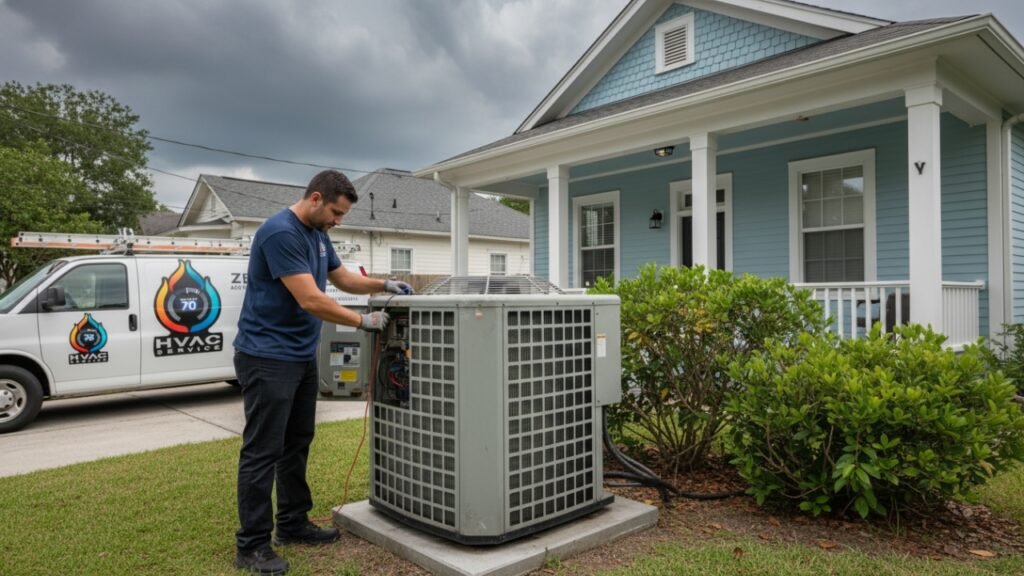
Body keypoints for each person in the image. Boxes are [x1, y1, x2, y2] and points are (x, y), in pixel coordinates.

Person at [232, 169, 412, 575]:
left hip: (297, 356)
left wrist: (385, 284)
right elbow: (311, 299)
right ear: (315, 199)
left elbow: (342, 277)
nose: (338, 221)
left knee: (297, 442)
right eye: (335, 212)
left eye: (342, 215)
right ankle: (252, 545)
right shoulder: (281, 233)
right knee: (263, 451)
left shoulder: (317, 234)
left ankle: (292, 523)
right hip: (266, 356)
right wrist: (362, 322)